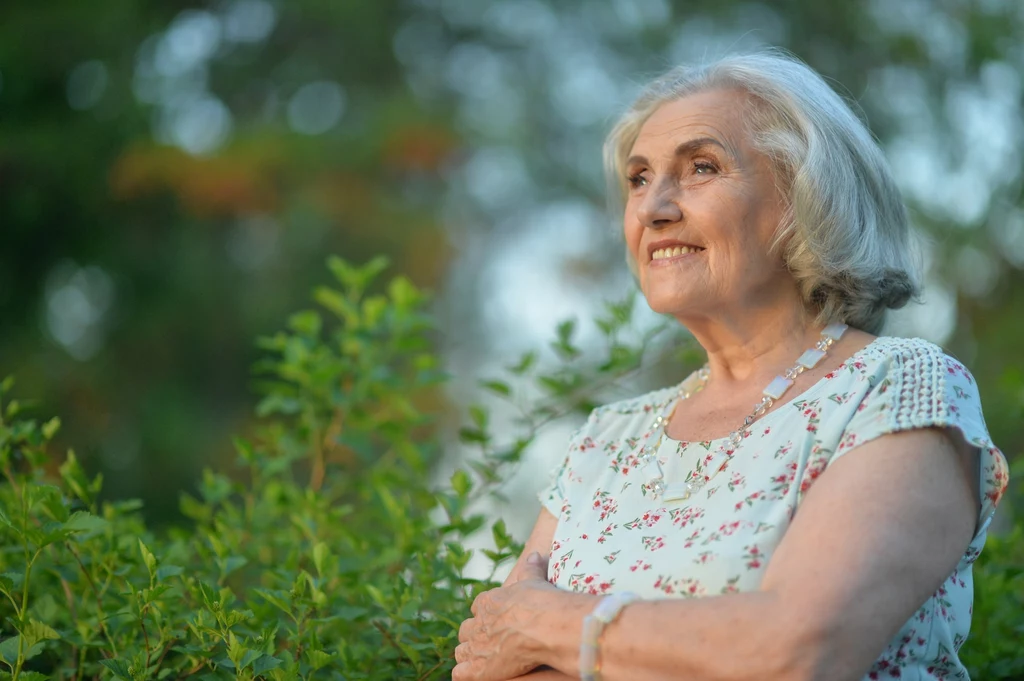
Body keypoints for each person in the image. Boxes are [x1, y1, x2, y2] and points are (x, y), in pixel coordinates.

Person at [451, 50, 1011, 681]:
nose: (653, 207)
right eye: (638, 179)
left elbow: (797, 652)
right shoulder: (607, 439)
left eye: (701, 168)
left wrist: (551, 625)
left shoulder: (896, 386)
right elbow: (488, 659)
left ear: (806, 197)